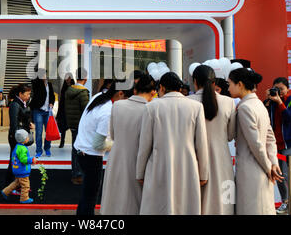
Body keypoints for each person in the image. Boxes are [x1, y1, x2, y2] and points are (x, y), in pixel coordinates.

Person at [136, 72, 209, 215]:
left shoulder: (152, 107)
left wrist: (140, 172)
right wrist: (203, 173)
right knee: (185, 206)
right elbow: (201, 143)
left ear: (161, 87)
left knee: (158, 206)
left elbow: (144, 144)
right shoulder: (196, 107)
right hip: (187, 165)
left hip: (159, 164)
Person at [228, 68, 283, 215]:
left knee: (251, 209)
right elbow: (270, 138)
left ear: (239, 84)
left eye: (230, 84)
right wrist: (273, 163)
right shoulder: (259, 104)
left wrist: (269, 168)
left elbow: (256, 144)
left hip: (251, 169)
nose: (228, 88)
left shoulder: (245, 107)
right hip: (263, 169)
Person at [100, 74, 156, 215]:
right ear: (153, 92)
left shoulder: (117, 105)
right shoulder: (151, 109)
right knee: (134, 203)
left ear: (135, 89)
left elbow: (112, 135)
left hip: (116, 158)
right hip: (138, 160)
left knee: (114, 201)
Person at [74, 80, 128, 215]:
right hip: (91, 156)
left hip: (81, 150)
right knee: (90, 196)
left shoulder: (99, 97)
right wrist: (118, 144)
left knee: (87, 194)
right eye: (128, 98)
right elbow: (98, 144)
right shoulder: (108, 112)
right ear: (120, 93)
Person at [188, 65, 236, 215]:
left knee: (197, 203)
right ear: (214, 82)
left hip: (194, 160)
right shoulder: (229, 102)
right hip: (222, 160)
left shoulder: (187, 102)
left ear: (195, 81)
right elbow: (230, 135)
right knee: (225, 204)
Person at [263, 77, 291, 213]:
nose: (278, 91)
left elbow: (290, 116)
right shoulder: (271, 102)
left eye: (281, 88)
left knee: (288, 174)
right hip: (275, 145)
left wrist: (279, 101)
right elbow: (263, 116)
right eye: (276, 88)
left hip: (289, 144)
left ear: (287, 88)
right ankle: (285, 202)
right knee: (279, 175)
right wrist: (267, 100)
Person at [6, 84, 35, 185]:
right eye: (27, 94)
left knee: (19, 161)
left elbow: (23, 118)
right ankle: (9, 185)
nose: (28, 96)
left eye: (29, 94)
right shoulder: (15, 105)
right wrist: (20, 138)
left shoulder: (23, 103)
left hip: (21, 136)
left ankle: (17, 185)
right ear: (20, 94)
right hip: (17, 137)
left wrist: (29, 124)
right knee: (14, 162)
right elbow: (14, 124)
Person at [65, 68, 90, 185]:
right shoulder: (83, 92)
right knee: (80, 149)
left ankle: (75, 172)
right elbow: (86, 110)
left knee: (75, 148)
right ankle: (78, 173)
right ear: (86, 78)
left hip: (72, 123)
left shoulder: (69, 90)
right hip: (81, 125)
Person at [1, 129, 37, 204]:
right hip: (22, 171)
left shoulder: (18, 146)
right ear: (24, 139)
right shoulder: (22, 149)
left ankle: (5, 191)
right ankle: (24, 198)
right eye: (27, 137)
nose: (28, 138)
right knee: (26, 185)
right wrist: (31, 160)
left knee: (16, 183)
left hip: (17, 170)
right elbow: (23, 160)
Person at [29, 68, 55, 158]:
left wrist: (52, 102)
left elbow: (52, 95)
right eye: (42, 75)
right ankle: (39, 150)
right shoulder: (37, 84)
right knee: (39, 132)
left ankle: (47, 148)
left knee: (48, 132)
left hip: (47, 111)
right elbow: (34, 82)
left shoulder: (49, 84)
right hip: (38, 111)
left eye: (45, 74)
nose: (44, 76)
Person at [56, 72, 74, 149]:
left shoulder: (74, 87)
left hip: (72, 111)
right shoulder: (63, 88)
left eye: (69, 78)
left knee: (73, 129)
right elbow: (61, 102)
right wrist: (59, 113)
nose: (68, 80)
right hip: (64, 111)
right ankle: (62, 142)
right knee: (63, 128)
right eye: (66, 78)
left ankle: (74, 144)